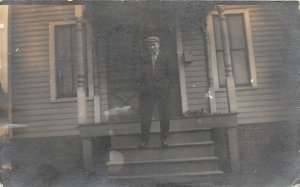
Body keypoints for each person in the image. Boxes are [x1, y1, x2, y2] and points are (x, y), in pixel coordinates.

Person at [138, 36, 174, 148]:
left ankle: (164, 138)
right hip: (147, 91)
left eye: (154, 44)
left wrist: (167, 86)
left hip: (163, 91)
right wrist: (142, 86)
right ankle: (145, 140)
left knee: (164, 115)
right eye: (150, 45)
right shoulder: (144, 59)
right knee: (145, 116)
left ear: (159, 45)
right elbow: (140, 75)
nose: (152, 47)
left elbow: (171, 74)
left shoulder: (166, 58)